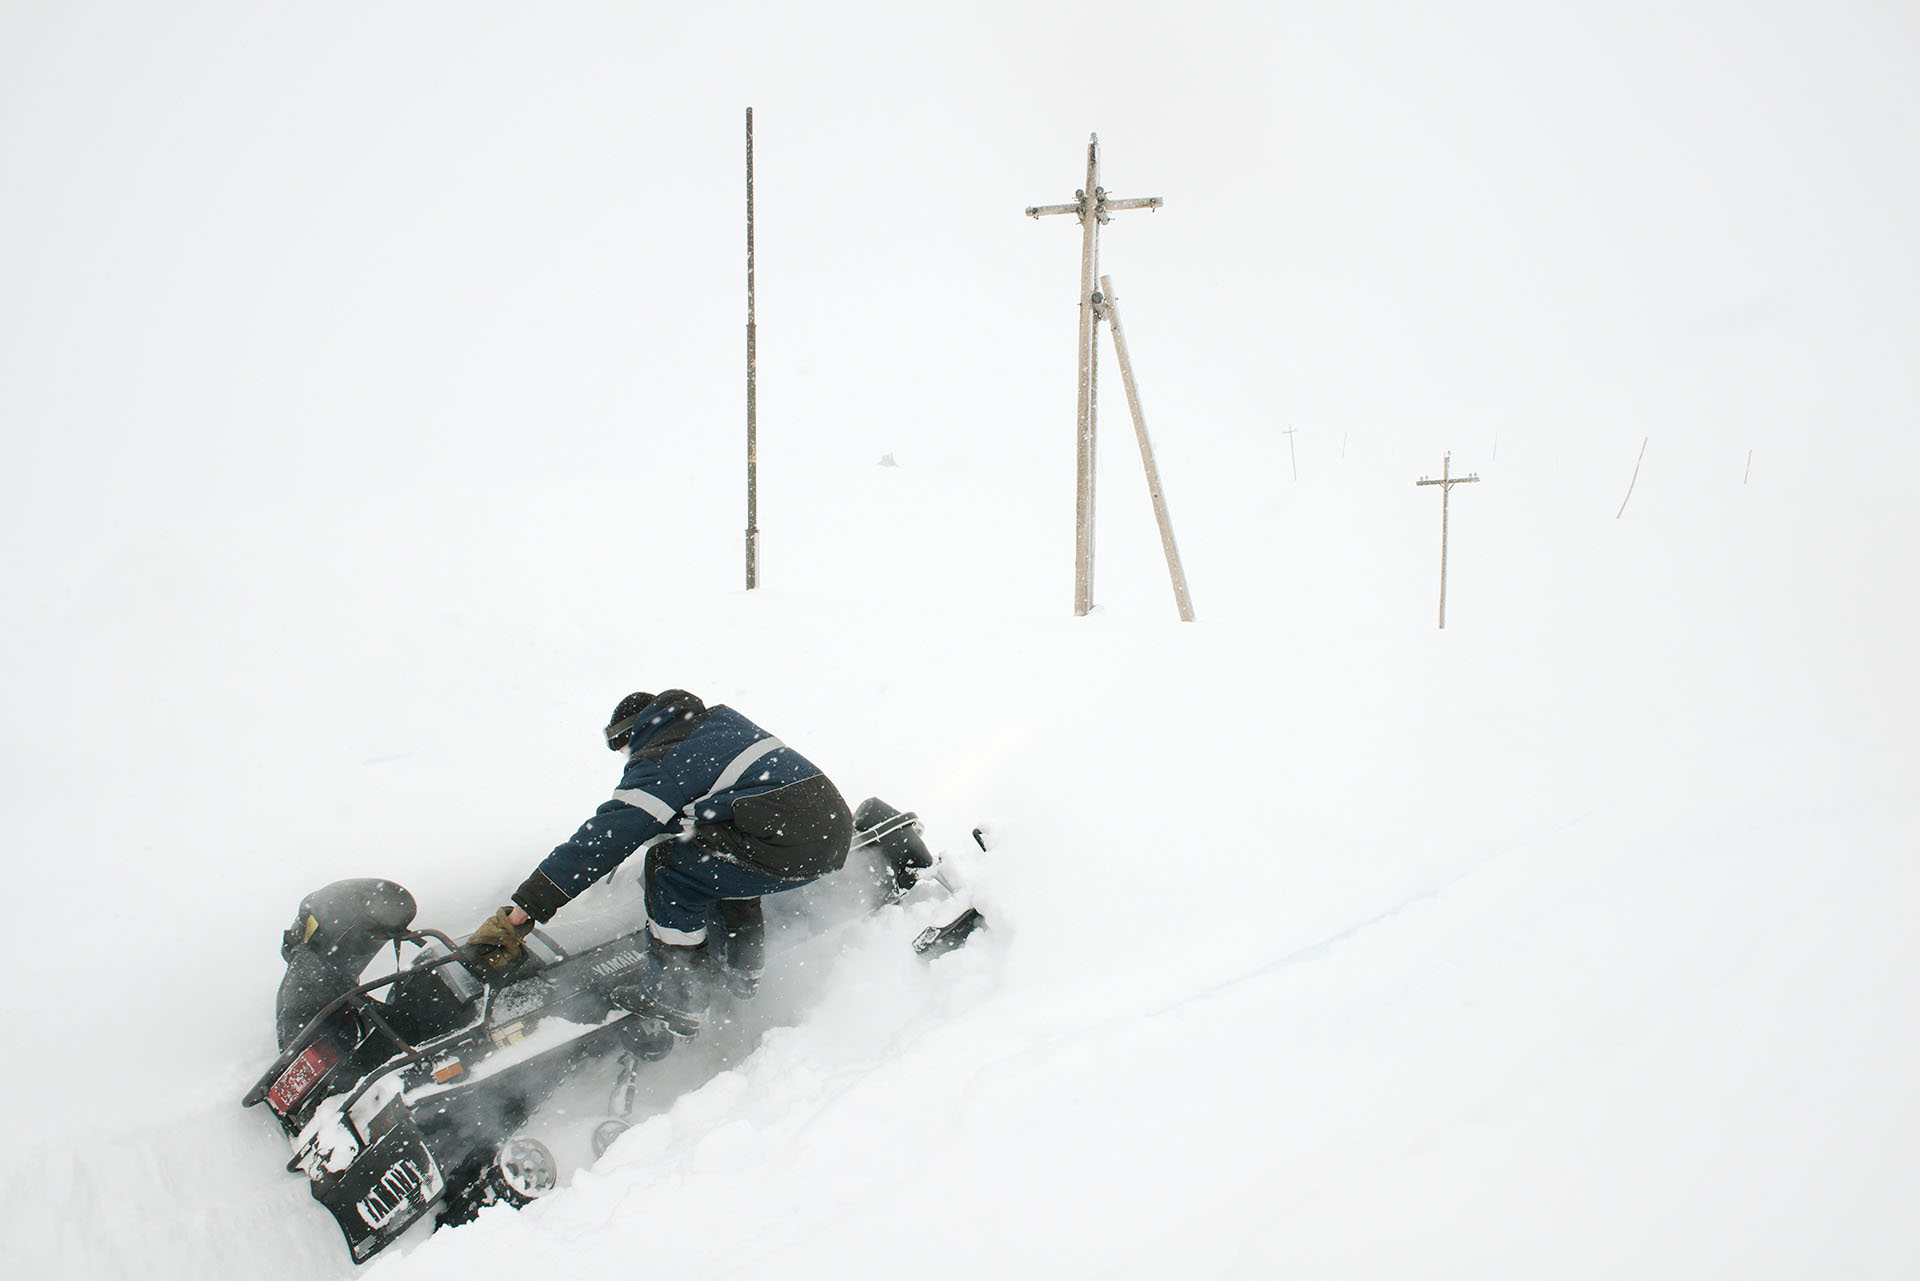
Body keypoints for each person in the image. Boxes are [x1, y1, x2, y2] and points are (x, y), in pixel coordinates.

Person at [468, 689, 853, 1038]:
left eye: (623, 749)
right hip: (825, 834)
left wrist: (525, 909)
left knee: (670, 868)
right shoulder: (715, 725)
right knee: (719, 867)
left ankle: (677, 997)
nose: (627, 758)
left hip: (784, 841)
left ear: (633, 733)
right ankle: (741, 971)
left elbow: (600, 841)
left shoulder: (662, 757)